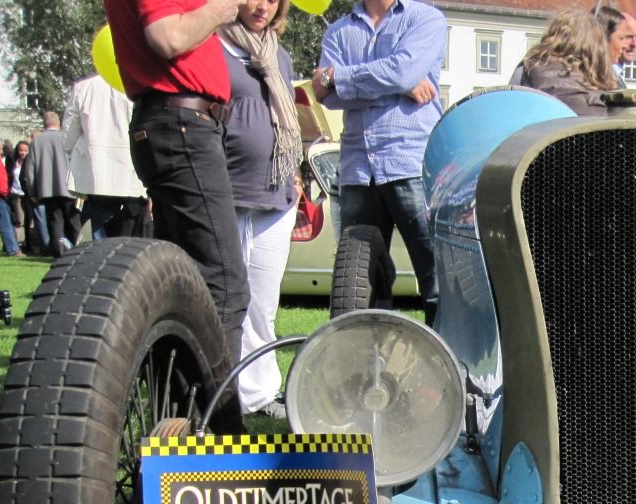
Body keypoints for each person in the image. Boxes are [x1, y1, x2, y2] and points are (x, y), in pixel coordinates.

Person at [102, 0, 251, 385]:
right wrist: (220, 9)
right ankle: (212, 425)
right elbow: (166, 36)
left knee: (182, 284)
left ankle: (180, 419)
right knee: (224, 285)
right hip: (183, 125)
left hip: (176, 124)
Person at [314, 0, 445, 324]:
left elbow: (402, 72)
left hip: (412, 162)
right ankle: (366, 367)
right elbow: (324, 94)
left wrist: (339, 77)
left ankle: (449, 367)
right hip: (358, 168)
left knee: (437, 282)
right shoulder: (338, 30)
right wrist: (398, 85)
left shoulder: (426, 19)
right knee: (357, 287)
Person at [220, 0, 302, 418]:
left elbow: (286, 121)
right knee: (226, 300)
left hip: (275, 198)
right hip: (228, 193)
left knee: (262, 304)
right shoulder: (214, 47)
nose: (262, 5)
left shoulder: (278, 55)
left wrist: (294, 173)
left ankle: (258, 394)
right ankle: (219, 391)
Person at [63, 74, 152, 240]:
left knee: (98, 226)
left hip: (97, 169)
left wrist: (73, 152)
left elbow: (69, 134)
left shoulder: (84, 88)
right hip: (132, 168)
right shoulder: (139, 84)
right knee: (131, 230)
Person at [512, 10, 617, 117]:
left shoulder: (528, 68)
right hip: (597, 131)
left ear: (553, 37)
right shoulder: (607, 81)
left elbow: (511, 107)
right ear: (598, 48)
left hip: (545, 131)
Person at [22, 112, 80, 256]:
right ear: (58, 123)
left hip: (47, 190)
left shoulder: (37, 140)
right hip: (69, 188)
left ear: (44, 124)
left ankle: (59, 254)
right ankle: (78, 252)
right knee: (74, 222)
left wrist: (32, 192)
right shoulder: (66, 137)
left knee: (55, 224)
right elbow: (77, 162)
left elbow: (30, 169)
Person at [595, 5, 636, 86]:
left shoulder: (612, 78)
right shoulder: (584, 81)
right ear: (603, 38)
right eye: (622, 38)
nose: (625, 45)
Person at [5, 140, 30, 248]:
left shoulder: (30, 162)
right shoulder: (13, 163)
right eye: (20, 150)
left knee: (30, 220)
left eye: (25, 150)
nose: (22, 153)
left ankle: (30, 242)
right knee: (19, 220)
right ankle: (19, 243)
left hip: (27, 194)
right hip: (16, 194)